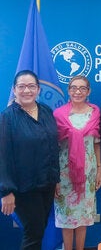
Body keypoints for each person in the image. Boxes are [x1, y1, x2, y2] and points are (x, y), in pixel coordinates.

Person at [0, 70, 60, 249]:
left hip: (46, 184)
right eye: (22, 86)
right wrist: (6, 191)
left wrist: (55, 179)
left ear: (38, 89)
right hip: (23, 187)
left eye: (31, 86)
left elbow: (53, 147)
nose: (27, 90)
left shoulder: (46, 112)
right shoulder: (7, 118)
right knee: (33, 232)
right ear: (14, 89)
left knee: (39, 228)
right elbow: (3, 156)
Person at [53, 76, 101, 250]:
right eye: (74, 88)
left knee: (83, 217)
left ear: (89, 91)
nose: (78, 92)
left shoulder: (95, 114)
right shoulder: (58, 115)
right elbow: (53, 149)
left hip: (87, 173)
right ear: (68, 90)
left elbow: (96, 145)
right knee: (67, 218)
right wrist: (54, 178)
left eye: (82, 88)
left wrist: (99, 171)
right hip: (64, 174)